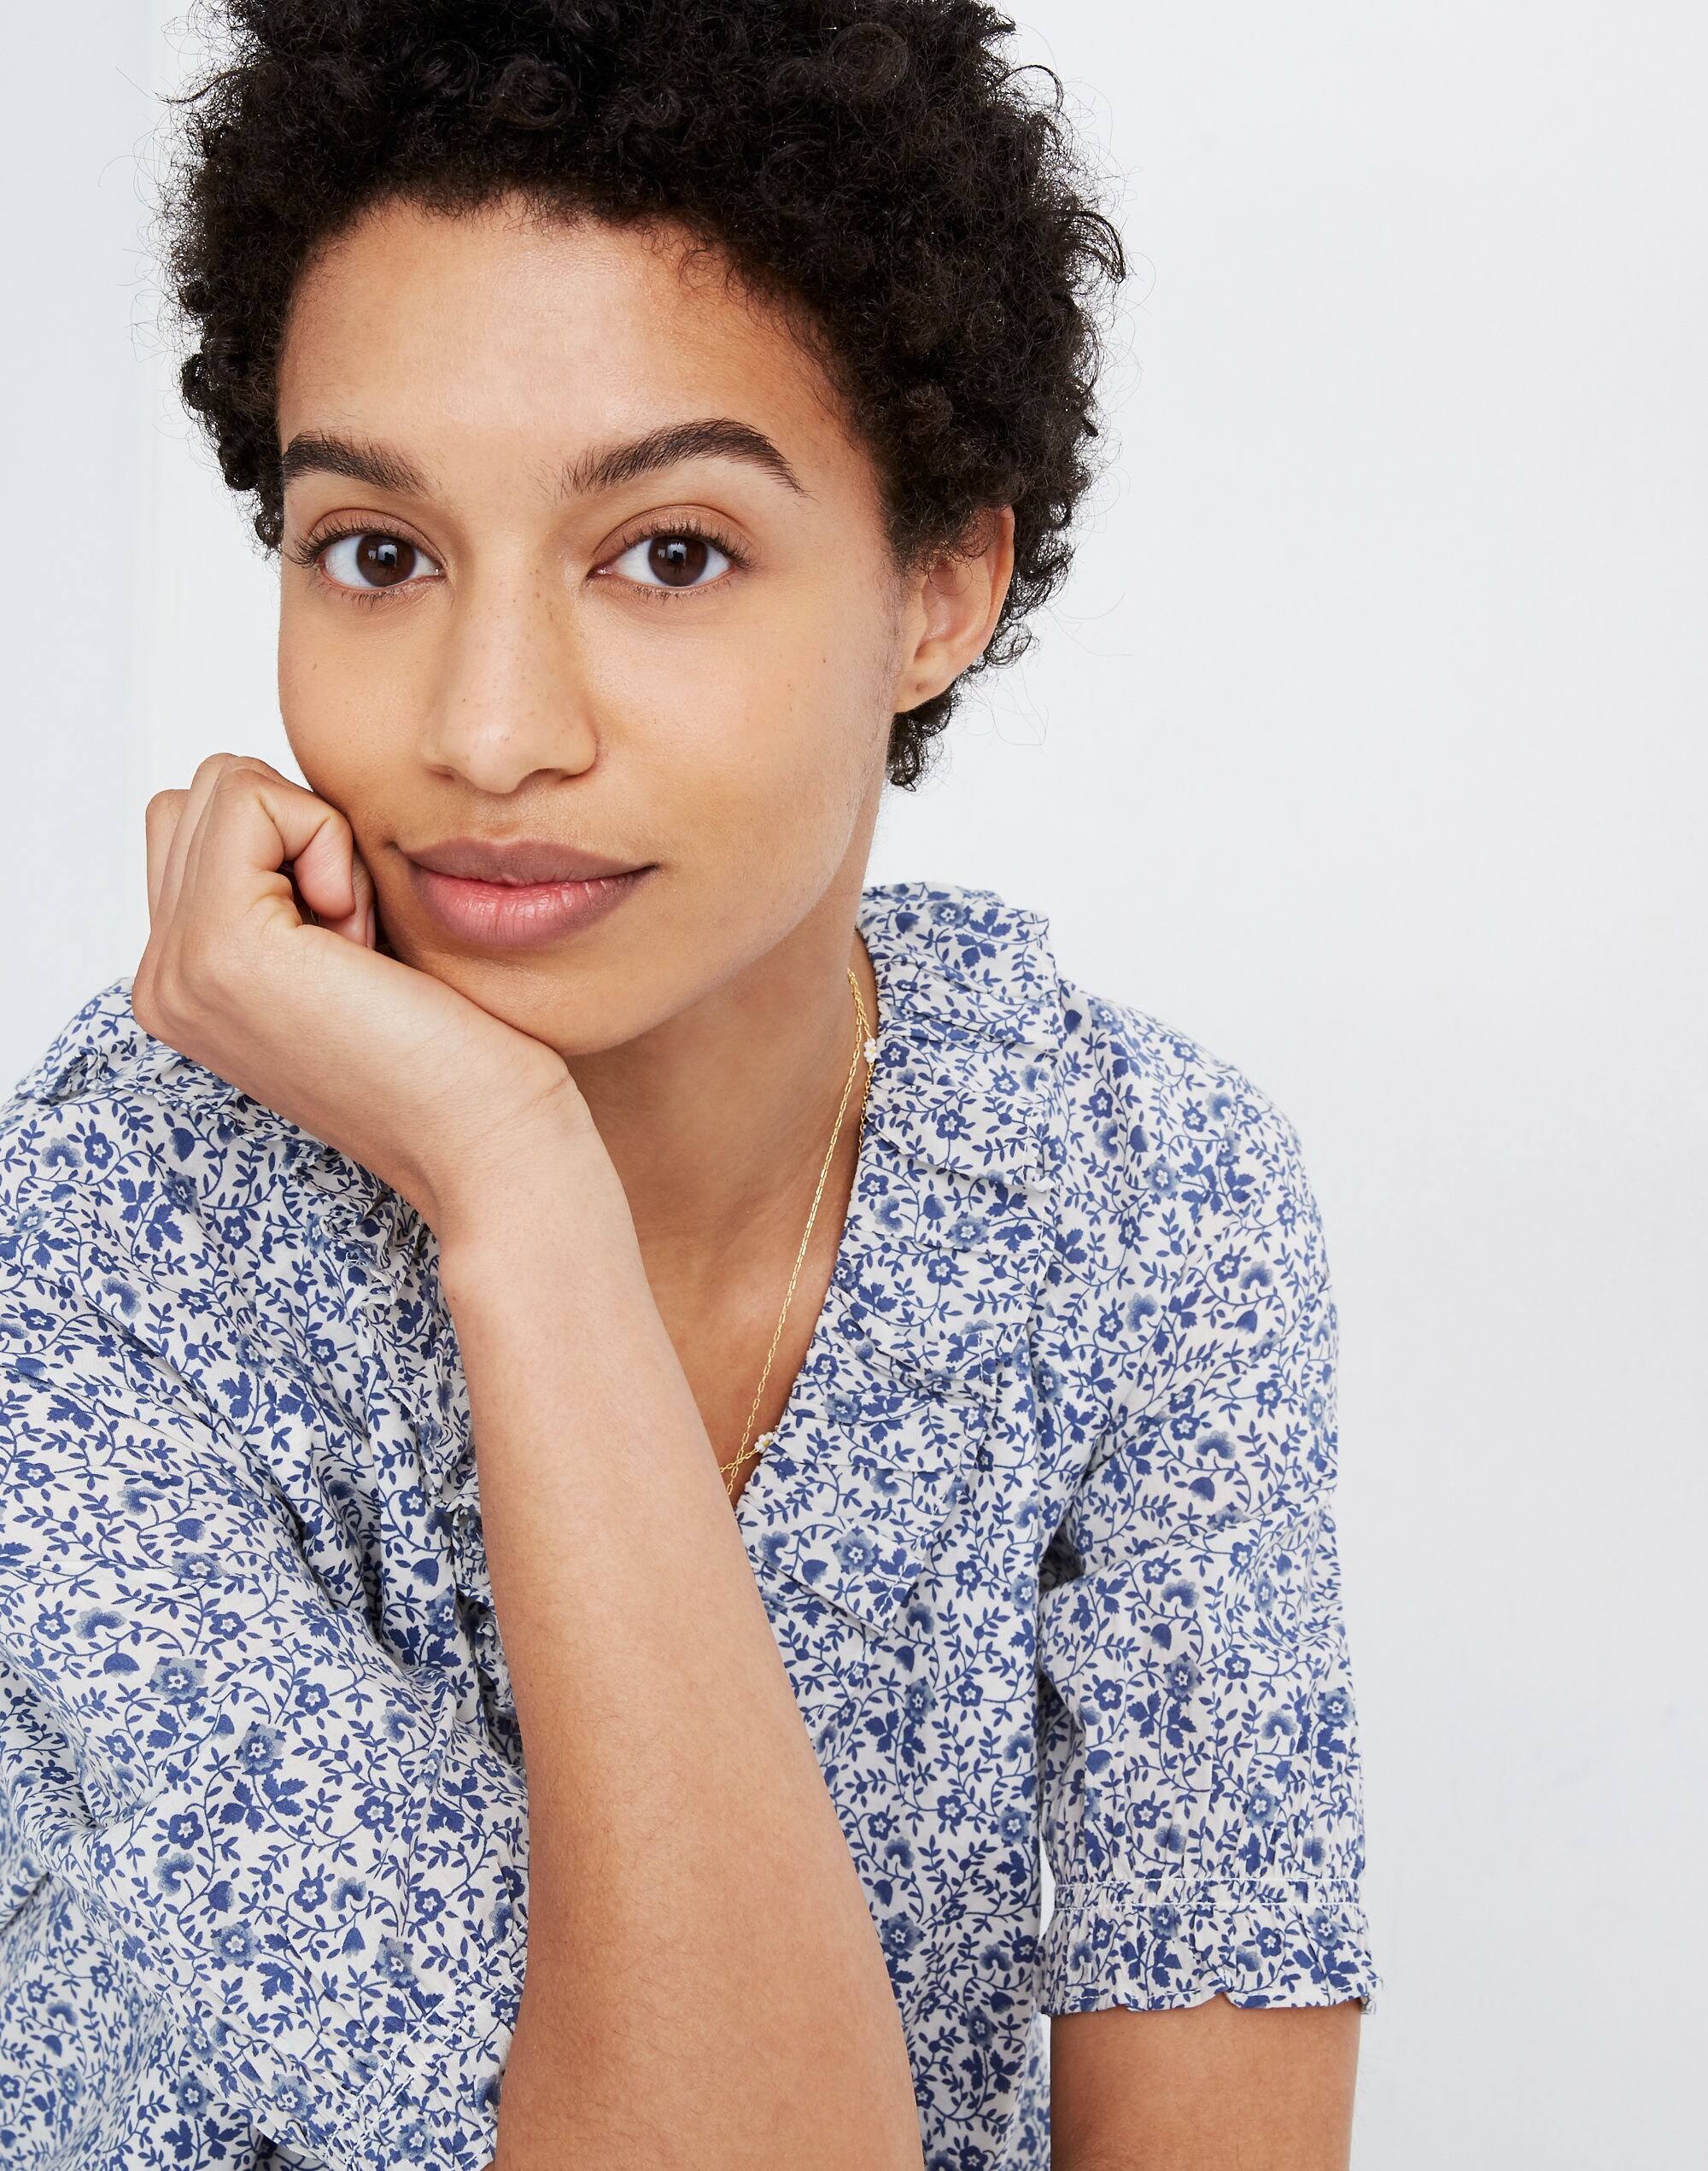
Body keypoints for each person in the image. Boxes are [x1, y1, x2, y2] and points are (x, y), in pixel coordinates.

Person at [0, 3, 1377, 2165]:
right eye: (378, 551)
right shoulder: (106, 1243)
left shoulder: (1139, 1196)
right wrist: (516, 1184)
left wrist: (507, 1174)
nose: (486, 731)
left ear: (940, 585)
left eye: (668, 552)